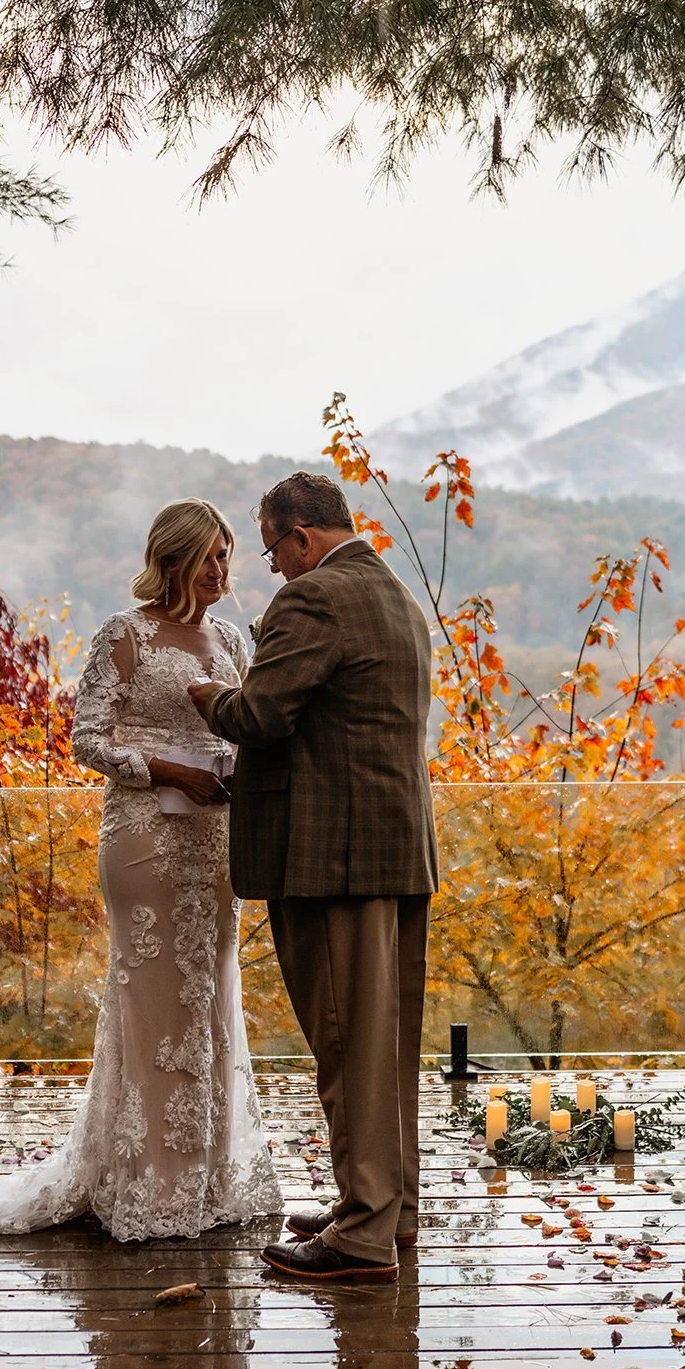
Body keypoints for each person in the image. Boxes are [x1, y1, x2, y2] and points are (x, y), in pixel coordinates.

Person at [0, 498, 283, 1242]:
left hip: (215, 838)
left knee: (210, 991)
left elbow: (248, 728)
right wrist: (165, 765)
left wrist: (234, 774)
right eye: (210, 555)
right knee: (152, 997)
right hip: (144, 838)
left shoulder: (234, 640)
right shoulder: (125, 635)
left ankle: (208, 1176)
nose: (222, 570)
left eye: (228, 555)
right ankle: (146, 1180)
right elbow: (86, 741)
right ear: (173, 558)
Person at [187, 471, 439, 1282]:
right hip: (394, 850)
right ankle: (385, 1209)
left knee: (345, 1043)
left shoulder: (316, 598)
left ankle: (362, 1234)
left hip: (330, 858)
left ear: (300, 536)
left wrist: (204, 692)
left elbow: (258, 716)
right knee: (383, 1043)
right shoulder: (393, 592)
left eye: (272, 551)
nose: (274, 569)